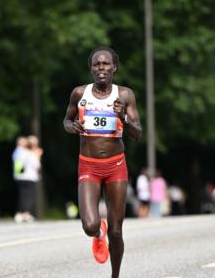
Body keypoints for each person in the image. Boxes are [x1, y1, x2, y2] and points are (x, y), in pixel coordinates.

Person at [64, 46, 142, 277]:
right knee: (89, 225)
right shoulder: (79, 94)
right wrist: (71, 127)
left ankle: (115, 275)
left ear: (114, 68)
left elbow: (137, 133)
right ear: (91, 69)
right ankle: (99, 235)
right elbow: (67, 120)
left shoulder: (125, 95)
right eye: (97, 64)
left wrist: (123, 118)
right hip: (88, 165)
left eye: (106, 64)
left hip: (116, 166)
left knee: (116, 231)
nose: (101, 68)